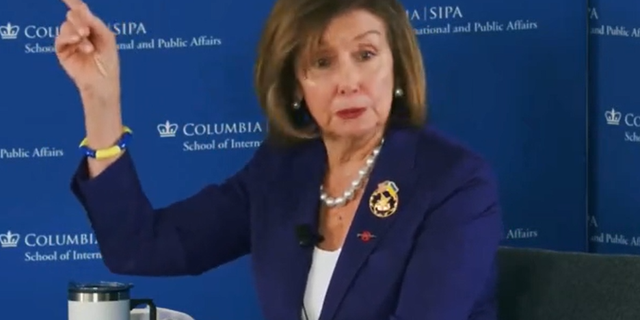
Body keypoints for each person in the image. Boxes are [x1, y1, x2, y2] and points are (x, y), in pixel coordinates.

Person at [55, 0, 504, 318]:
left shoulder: (452, 182)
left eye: (366, 55)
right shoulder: (282, 172)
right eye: (322, 63)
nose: (349, 80)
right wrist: (101, 98)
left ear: (397, 68)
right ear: (294, 87)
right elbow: (141, 247)